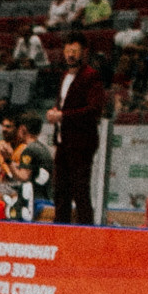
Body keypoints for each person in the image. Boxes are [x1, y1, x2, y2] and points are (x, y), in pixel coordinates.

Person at [51, 40, 105, 224]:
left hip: (81, 143)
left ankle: (86, 233)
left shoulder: (91, 76)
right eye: (67, 51)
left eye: (74, 51)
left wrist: (62, 116)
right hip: (62, 141)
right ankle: (60, 231)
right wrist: (55, 112)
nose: (70, 55)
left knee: (80, 192)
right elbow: (63, 105)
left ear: (84, 53)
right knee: (60, 192)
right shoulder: (64, 76)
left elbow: (94, 109)